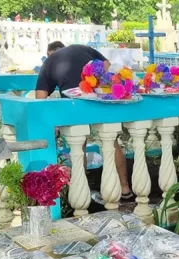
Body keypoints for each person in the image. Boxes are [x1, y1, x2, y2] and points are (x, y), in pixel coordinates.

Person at [35, 43, 133, 200]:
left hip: (75, 105)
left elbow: (40, 99)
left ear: (49, 53)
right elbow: (107, 67)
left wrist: (53, 124)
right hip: (99, 99)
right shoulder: (82, 48)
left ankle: (82, 192)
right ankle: (125, 189)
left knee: (79, 146)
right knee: (111, 142)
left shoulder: (49, 62)